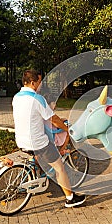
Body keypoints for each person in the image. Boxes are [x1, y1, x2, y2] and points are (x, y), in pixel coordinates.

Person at [12, 69, 86, 208]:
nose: (41, 85)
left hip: (21, 140)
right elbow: (54, 120)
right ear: (33, 83)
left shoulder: (17, 97)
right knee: (60, 168)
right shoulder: (37, 99)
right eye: (40, 82)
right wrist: (67, 129)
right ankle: (70, 198)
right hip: (39, 143)